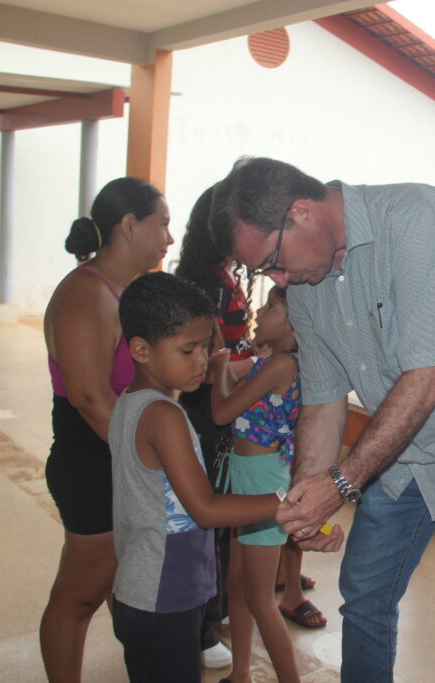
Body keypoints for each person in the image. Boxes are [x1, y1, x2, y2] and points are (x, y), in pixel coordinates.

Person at [208, 157, 435, 681]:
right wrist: (310, 495)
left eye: (272, 263)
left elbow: (429, 378)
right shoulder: (307, 286)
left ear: (302, 213)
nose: (278, 280)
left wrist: (340, 482)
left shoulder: (416, 219)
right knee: (364, 599)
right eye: (264, 272)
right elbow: (324, 398)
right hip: (407, 451)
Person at [109, 272, 337, 682]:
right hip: (165, 592)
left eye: (205, 347)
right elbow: (206, 508)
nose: (202, 359)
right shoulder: (163, 417)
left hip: (145, 586)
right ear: (141, 350)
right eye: (188, 349)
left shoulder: (130, 403)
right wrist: (291, 506)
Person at [40, 177, 172, 682]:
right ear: (129, 225)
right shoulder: (85, 294)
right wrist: (151, 459)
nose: (169, 237)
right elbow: (90, 398)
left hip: (115, 455)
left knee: (123, 587)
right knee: (78, 597)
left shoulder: (124, 292)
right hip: (92, 460)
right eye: (162, 223)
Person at [209, 286, 313, 683]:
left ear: (294, 324)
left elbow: (221, 412)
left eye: (271, 307)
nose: (259, 310)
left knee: (259, 597)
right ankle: (240, 673)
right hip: (246, 474)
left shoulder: (281, 365)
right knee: (237, 585)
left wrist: (220, 366)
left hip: (262, 480)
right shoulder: (270, 360)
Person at [175, 185, 254, 670]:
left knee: (216, 521)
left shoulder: (214, 275)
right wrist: (262, 367)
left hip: (215, 407)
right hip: (206, 411)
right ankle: (202, 629)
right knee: (207, 519)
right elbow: (209, 364)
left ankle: (210, 615)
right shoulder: (209, 284)